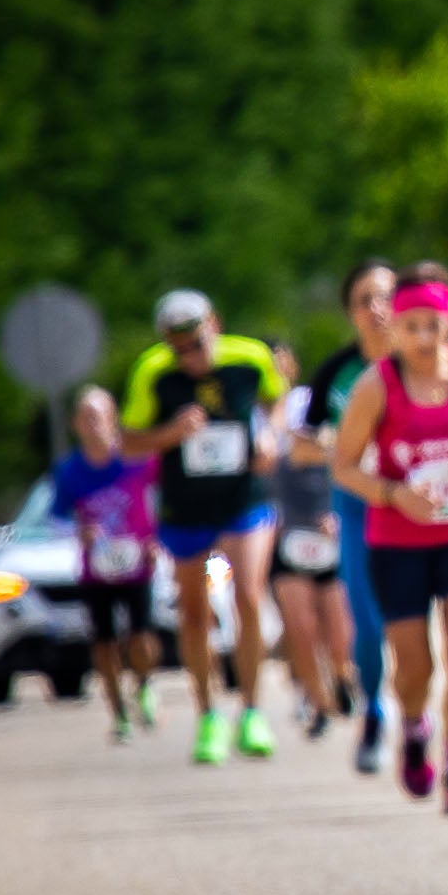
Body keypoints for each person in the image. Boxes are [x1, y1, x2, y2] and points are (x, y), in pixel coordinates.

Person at [332, 265, 448, 815]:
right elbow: (343, 467)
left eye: (432, 326)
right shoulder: (375, 388)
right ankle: (415, 727)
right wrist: (393, 494)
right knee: (415, 666)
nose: (421, 339)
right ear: (394, 329)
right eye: (410, 326)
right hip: (397, 539)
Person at [120, 291, 284, 766]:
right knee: (193, 612)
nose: (189, 357)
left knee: (248, 594)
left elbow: (276, 399)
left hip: (242, 499)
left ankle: (252, 709)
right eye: (179, 349)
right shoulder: (153, 371)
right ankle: (208, 713)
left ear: (214, 324)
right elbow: (129, 443)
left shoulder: (251, 357)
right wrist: (169, 434)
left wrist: (270, 434)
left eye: (196, 343)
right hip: (188, 505)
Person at [299, 261, 399, 773]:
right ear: (351, 313)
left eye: (386, 296)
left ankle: (427, 715)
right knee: (367, 618)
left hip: (419, 506)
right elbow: (299, 446)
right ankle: (376, 713)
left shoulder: (424, 361)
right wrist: (332, 447)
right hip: (358, 507)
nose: (377, 309)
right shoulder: (335, 372)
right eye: (365, 300)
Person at [49, 387, 161, 742]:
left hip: (138, 562)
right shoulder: (70, 471)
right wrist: (78, 531)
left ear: (113, 419)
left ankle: (143, 682)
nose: (93, 425)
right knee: (104, 644)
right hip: (96, 569)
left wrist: (158, 538)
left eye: (98, 417)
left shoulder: (137, 459)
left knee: (141, 638)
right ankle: (119, 714)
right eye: (85, 418)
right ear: (75, 425)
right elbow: (55, 517)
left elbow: (165, 497)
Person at [267, 341, 355, 741]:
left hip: (326, 523)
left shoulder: (308, 401)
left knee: (337, 626)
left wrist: (333, 509)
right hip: (283, 532)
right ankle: (316, 702)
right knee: (299, 626)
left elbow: (335, 449)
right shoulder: (249, 416)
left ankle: (342, 676)